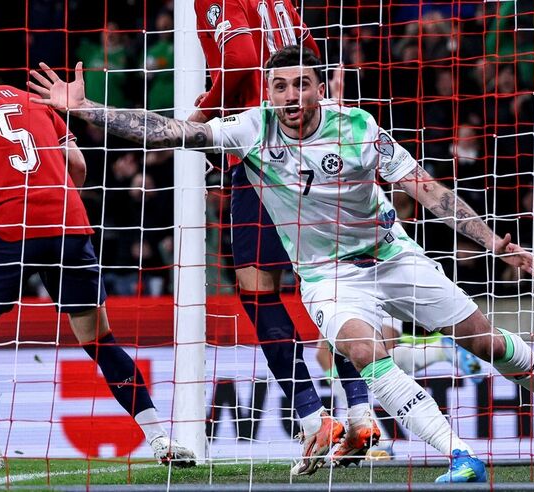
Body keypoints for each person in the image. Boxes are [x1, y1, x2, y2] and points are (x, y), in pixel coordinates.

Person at [29, 45, 534, 483]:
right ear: (269, 92)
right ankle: (460, 454)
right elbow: (171, 132)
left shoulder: (357, 128)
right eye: (279, 86)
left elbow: (427, 189)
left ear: (320, 88)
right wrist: (88, 110)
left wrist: (494, 244)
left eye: (301, 85)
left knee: (484, 341)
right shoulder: (253, 129)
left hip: (392, 253)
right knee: (362, 350)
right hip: (330, 277)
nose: (289, 97)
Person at [0, 34, 196, 470]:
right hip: (69, 220)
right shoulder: (32, 99)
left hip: (10, 226)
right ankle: (160, 437)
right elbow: (78, 166)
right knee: (100, 341)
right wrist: (56, 208)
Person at [188, 0, 377, 474]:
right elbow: (310, 56)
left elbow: (239, 58)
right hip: (316, 150)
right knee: (332, 283)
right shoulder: (281, 2)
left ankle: (314, 418)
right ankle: (360, 412)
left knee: (258, 292)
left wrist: (204, 114)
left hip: (264, 153)